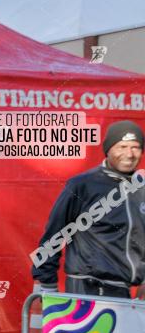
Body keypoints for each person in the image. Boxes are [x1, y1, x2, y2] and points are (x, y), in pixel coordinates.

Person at [32, 120, 145, 298]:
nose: (129, 154)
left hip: (124, 293)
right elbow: (55, 233)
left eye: (135, 147)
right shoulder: (82, 184)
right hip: (87, 287)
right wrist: (46, 284)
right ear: (108, 149)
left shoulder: (141, 188)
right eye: (122, 146)